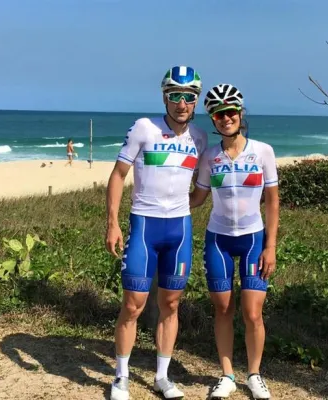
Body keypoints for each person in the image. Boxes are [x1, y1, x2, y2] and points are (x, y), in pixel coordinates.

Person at [105, 65, 208, 400]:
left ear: (196, 101)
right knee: (133, 305)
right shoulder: (144, 128)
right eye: (175, 95)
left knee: (171, 304)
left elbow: (204, 184)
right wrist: (112, 222)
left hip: (179, 229)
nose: (181, 103)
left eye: (188, 97)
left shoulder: (200, 138)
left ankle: (162, 377)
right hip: (144, 226)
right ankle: (121, 377)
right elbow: (118, 175)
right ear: (165, 97)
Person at [190, 84, 280, 399]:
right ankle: (227, 375)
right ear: (213, 119)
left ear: (240, 114)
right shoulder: (209, 156)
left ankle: (254, 375)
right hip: (218, 240)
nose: (225, 118)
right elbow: (197, 198)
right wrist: (161, 203)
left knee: (252, 312)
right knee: (223, 309)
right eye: (218, 114)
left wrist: (270, 246)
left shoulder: (263, 151)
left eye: (230, 112)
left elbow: (272, 201)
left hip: (254, 239)